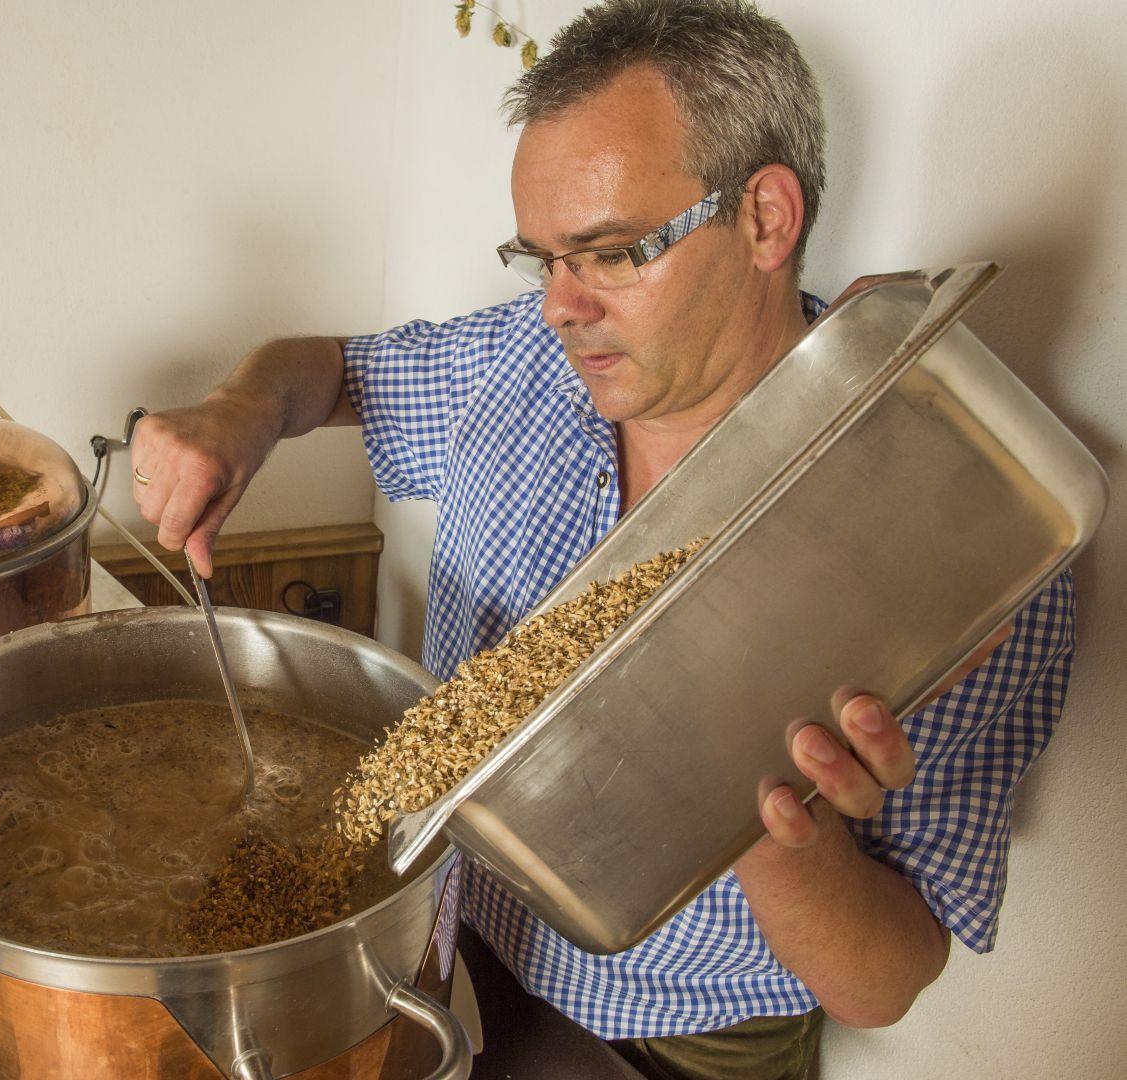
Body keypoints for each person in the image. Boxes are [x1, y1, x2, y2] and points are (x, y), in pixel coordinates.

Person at [129, 3, 1077, 1077]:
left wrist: (757, 803)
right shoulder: (523, 368)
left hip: (676, 1043)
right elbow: (327, 374)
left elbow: (886, 981)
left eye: (611, 253)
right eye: (540, 259)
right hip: (443, 935)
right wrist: (239, 415)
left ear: (766, 218)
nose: (557, 308)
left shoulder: (956, 545)